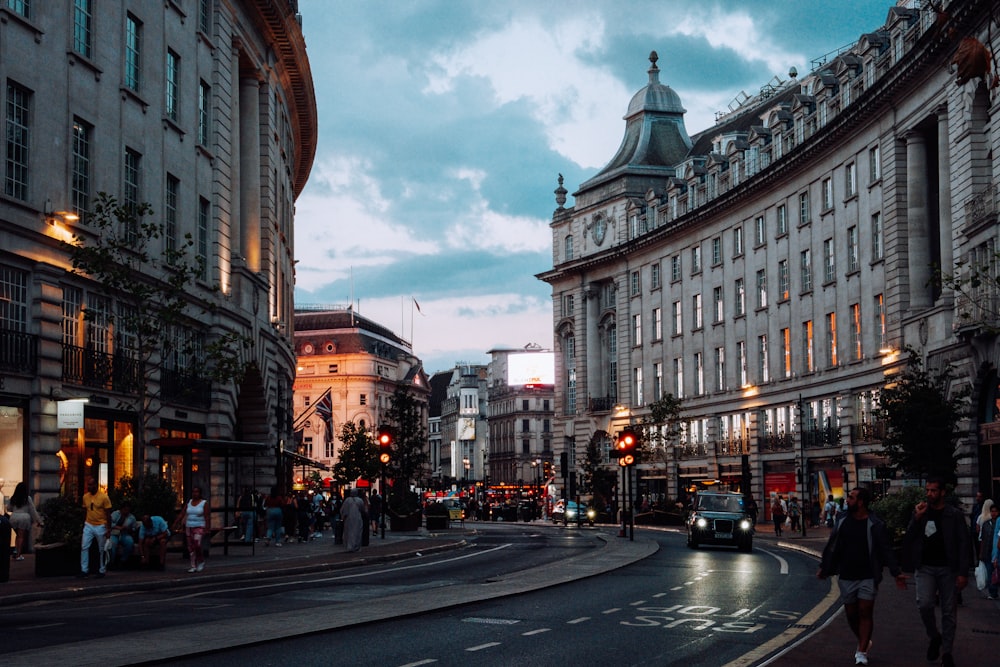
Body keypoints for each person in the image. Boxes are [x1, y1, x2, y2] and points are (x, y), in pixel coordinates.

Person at [818, 487, 906, 666]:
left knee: (865, 611)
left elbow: (886, 550)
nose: (847, 500)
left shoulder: (875, 523)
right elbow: (832, 545)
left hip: (868, 575)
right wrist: (824, 567)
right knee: (851, 614)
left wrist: (896, 572)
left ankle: (861, 651)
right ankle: (864, 639)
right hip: (847, 574)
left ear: (861, 502)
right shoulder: (842, 520)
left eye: (850, 498)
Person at [901, 476, 972, 667]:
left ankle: (947, 652)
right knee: (924, 604)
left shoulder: (954, 515)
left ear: (942, 492)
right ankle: (934, 636)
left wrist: (963, 572)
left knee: (949, 611)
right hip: (925, 567)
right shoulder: (921, 512)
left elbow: (964, 543)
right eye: (928, 490)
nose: (929, 494)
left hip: (948, 568)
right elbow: (909, 538)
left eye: (933, 490)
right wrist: (915, 518)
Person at [80, 477, 112, 578]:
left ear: (95, 485)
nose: (89, 487)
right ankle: (84, 570)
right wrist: (83, 523)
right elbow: (85, 510)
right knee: (84, 546)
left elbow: (108, 514)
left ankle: (102, 569)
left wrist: (108, 529)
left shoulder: (104, 497)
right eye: (88, 485)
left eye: (91, 485)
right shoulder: (85, 497)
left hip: (100, 525)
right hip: (89, 524)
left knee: (101, 549)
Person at [174, 486, 210, 573]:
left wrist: (207, 528)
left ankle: (201, 561)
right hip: (189, 526)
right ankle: (193, 565)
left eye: (197, 492)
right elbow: (182, 513)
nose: (195, 494)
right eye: (193, 492)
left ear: (200, 493)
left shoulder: (204, 503)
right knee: (190, 547)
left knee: (197, 544)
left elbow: (207, 516)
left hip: (199, 525)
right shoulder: (189, 502)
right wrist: (175, 523)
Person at [6, 482, 42, 560]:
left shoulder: (13, 498)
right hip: (24, 518)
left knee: (18, 536)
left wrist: (15, 509)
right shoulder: (27, 498)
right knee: (21, 537)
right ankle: (18, 555)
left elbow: (8, 508)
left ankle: (15, 550)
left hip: (14, 517)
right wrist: (39, 521)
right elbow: (33, 511)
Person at [978, 500, 998, 599]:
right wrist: (981, 553)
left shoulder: (998, 524)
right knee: (990, 573)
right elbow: (982, 539)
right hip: (987, 552)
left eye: (995, 511)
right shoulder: (986, 524)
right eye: (992, 511)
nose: (993, 513)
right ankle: (992, 592)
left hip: (996, 552)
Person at [109, 502, 138, 567]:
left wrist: (129, 529)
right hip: (114, 533)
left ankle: (123, 560)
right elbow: (109, 523)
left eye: (128, 510)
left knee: (130, 542)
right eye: (125, 510)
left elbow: (134, 528)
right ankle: (111, 563)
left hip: (125, 534)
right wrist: (118, 527)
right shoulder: (115, 514)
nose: (126, 511)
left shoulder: (132, 517)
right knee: (112, 544)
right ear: (121, 509)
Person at [341, 488, 366, 552]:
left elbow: (343, 510)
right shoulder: (359, 500)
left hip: (348, 518)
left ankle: (349, 546)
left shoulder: (347, 500)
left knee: (348, 532)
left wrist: (343, 516)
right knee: (357, 532)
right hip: (357, 518)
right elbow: (363, 509)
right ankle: (356, 546)